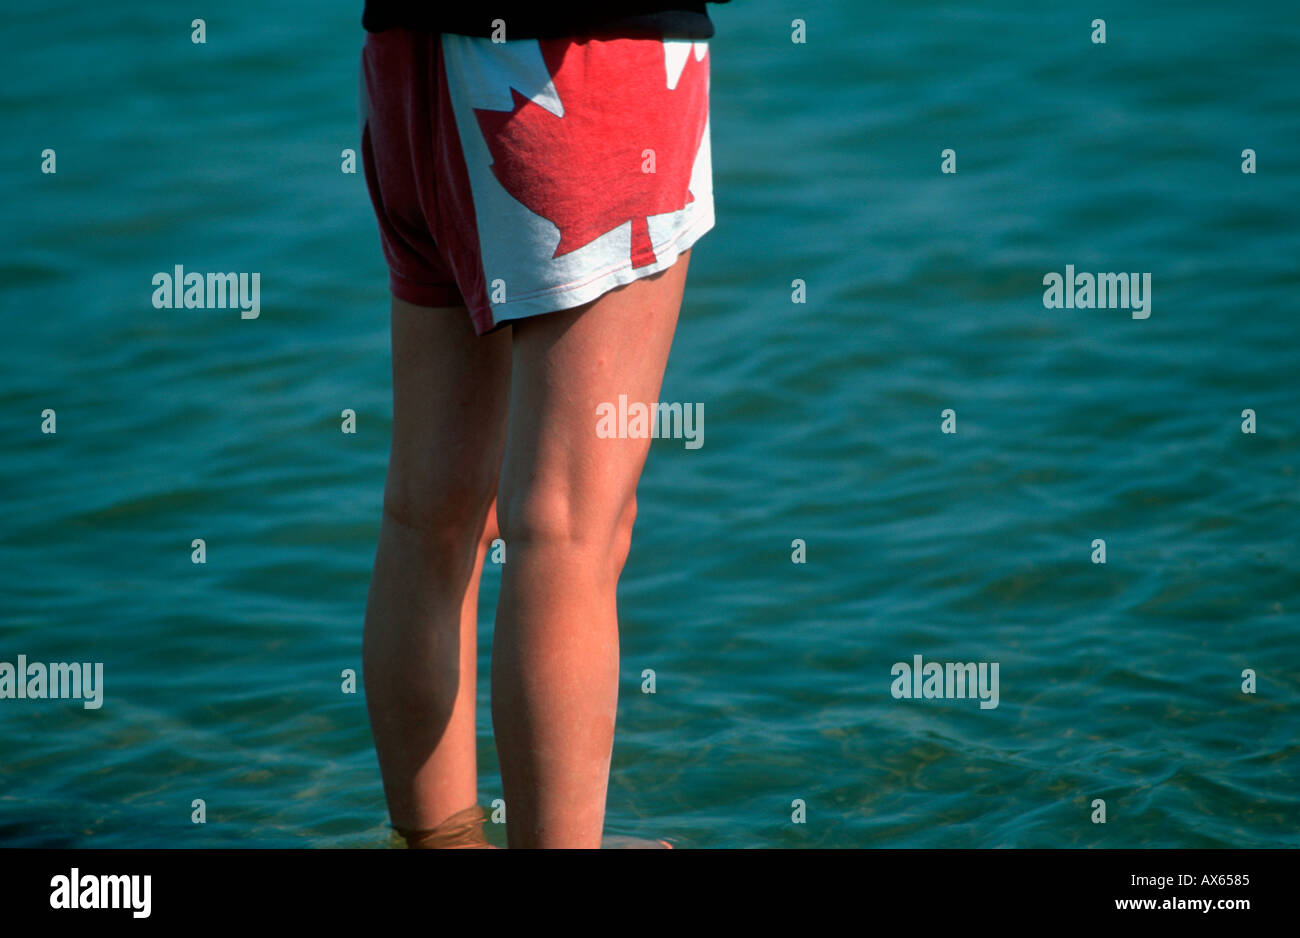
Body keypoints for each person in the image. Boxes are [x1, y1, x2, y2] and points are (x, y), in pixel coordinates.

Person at [357, 2, 725, 848]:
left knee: (430, 510)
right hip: (589, 69)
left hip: (411, 61)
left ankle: (442, 843)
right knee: (568, 528)